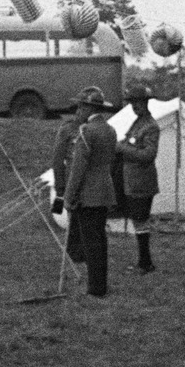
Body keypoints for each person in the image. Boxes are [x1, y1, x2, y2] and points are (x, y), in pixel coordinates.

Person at [61, 86, 117, 297]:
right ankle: (100, 284)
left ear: (87, 108)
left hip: (88, 194)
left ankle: (95, 288)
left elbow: (78, 168)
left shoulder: (86, 131)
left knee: (91, 242)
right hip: (105, 191)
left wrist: (69, 197)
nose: (78, 111)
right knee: (100, 240)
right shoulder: (110, 130)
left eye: (80, 106)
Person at [117, 81, 161, 274]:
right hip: (133, 180)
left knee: (141, 221)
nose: (135, 106)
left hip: (142, 181)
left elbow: (148, 155)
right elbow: (130, 143)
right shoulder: (137, 122)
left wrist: (122, 148)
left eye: (138, 103)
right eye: (132, 103)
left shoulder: (150, 126)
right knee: (138, 221)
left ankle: (145, 263)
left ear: (146, 103)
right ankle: (144, 262)